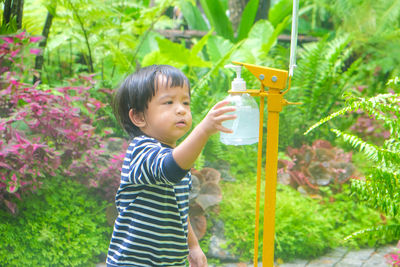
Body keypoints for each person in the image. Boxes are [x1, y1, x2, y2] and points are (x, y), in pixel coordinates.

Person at [107, 64, 236, 267]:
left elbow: (178, 210)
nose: (181, 110)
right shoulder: (141, 150)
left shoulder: (175, 159)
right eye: (168, 102)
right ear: (139, 117)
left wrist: (192, 246)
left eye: (186, 102)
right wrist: (203, 130)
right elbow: (170, 169)